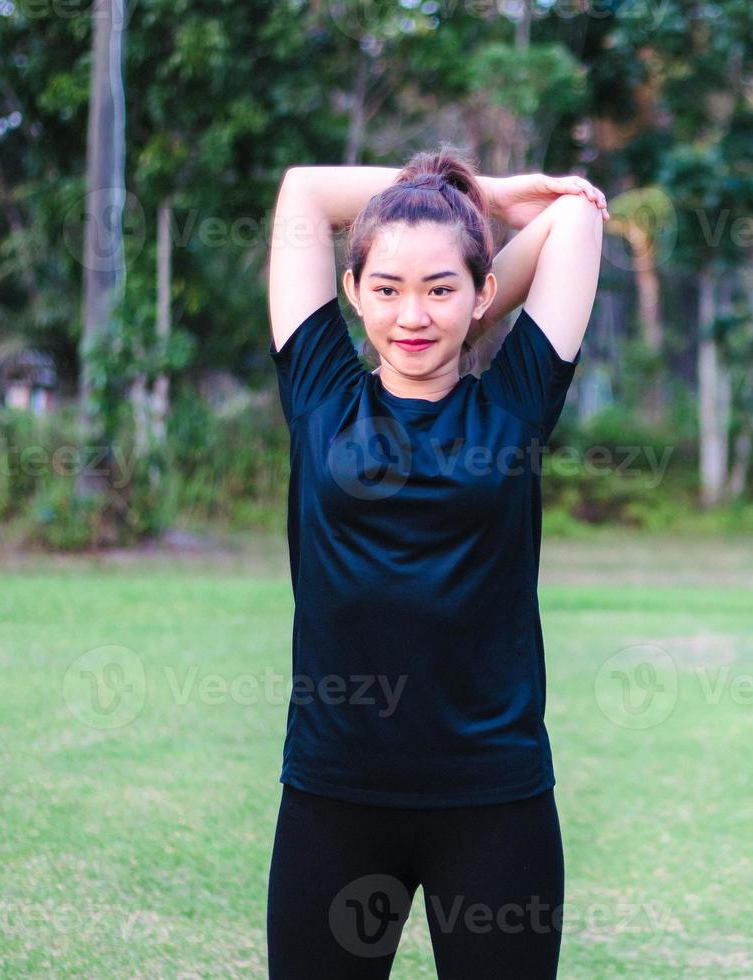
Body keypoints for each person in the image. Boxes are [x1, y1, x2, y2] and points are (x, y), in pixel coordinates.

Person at [263, 146, 607, 979]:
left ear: (483, 293)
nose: (410, 313)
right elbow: (303, 190)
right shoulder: (318, 393)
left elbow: (575, 217)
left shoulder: (515, 405)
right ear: (352, 293)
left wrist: (460, 244)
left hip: (494, 801)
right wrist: (470, 192)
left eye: (441, 289)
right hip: (334, 796)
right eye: (386, 289)